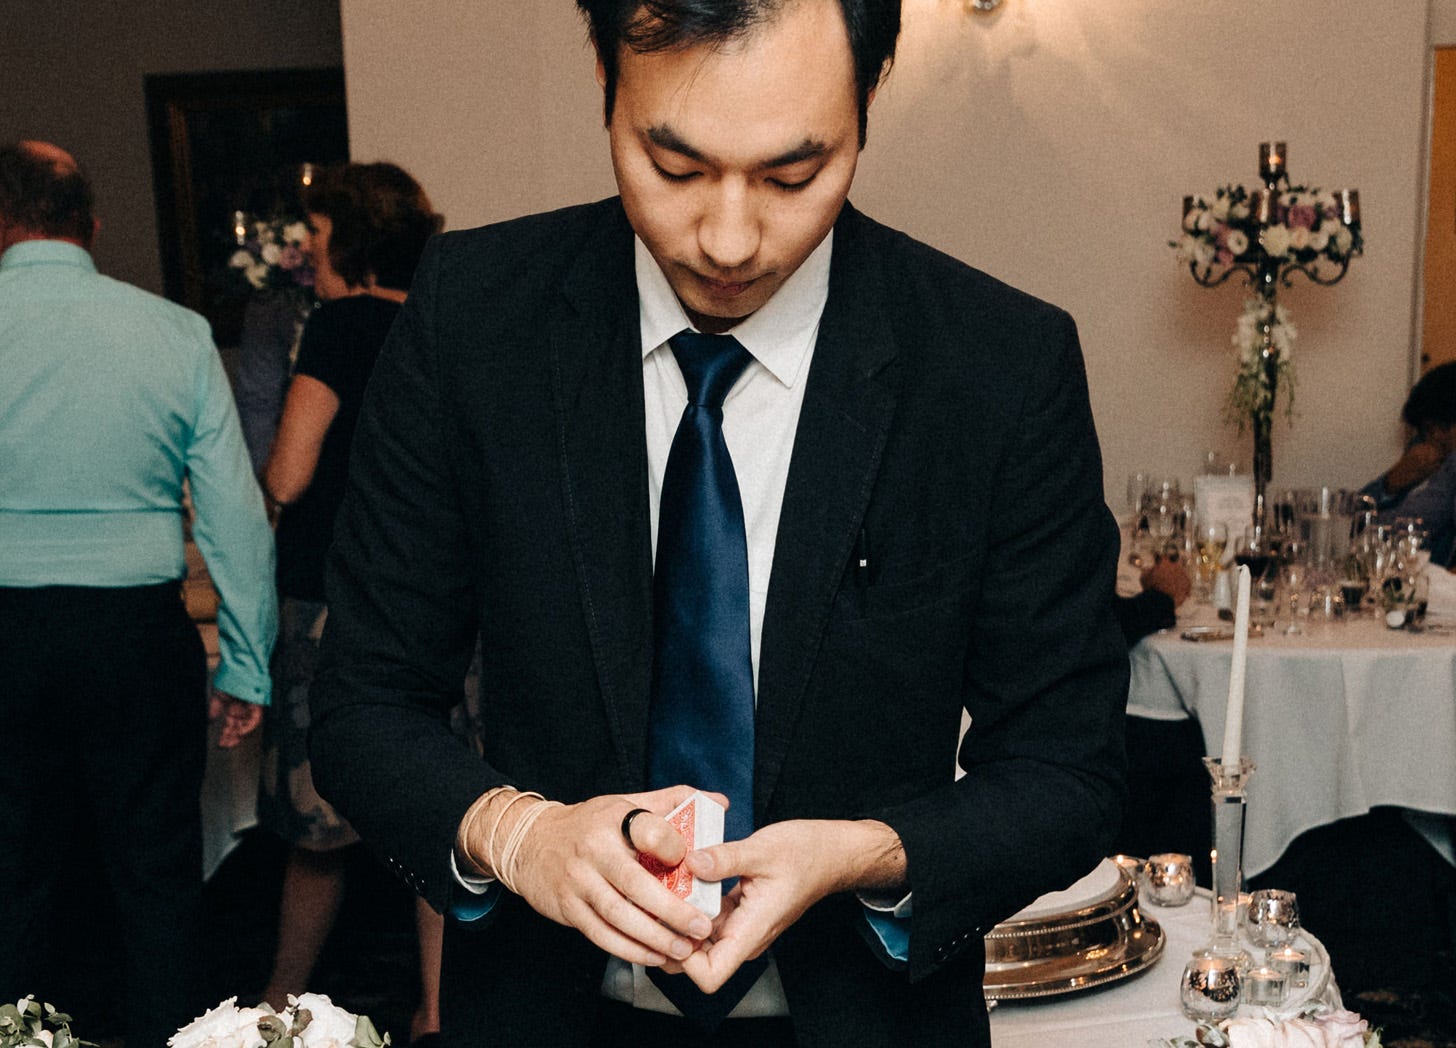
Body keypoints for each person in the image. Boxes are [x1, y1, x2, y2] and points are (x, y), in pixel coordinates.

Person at [308, 2, 1128, 1045]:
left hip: (866, 1020)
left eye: (793, 176)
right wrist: (518, 835)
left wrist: (868, 854)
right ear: (605, 77)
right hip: (546, 1013)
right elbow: (363, 702)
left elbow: (1067, 767)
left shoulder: (997, 365)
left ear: (869, 95)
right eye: (675, 167)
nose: (728, 240)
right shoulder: (472, 317)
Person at [0, 140, 276, 1046]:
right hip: (135, 634)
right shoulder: (175, 333)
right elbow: (234, 516)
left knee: (12, 881)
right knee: (158, 882)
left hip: (6, 630)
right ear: (90, 226)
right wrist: (247, 664)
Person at [254, 162, 445, 1041]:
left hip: (334, 601)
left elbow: (290, 473)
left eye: (320, 235)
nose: (310, 253)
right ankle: (436, 1013)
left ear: (355, 241)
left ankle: (277, 1008)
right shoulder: (440, 322)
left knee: (318, 821)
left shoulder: (338, 325)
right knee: (439, 814)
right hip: (437, 600)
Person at [1364, 362, 1456, 565]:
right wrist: (1389, 484)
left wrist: (1352, 524)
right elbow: (1359, 506)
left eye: (1429, 429)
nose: (1427, 439)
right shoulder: (1421, 450)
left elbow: (1414, 521)